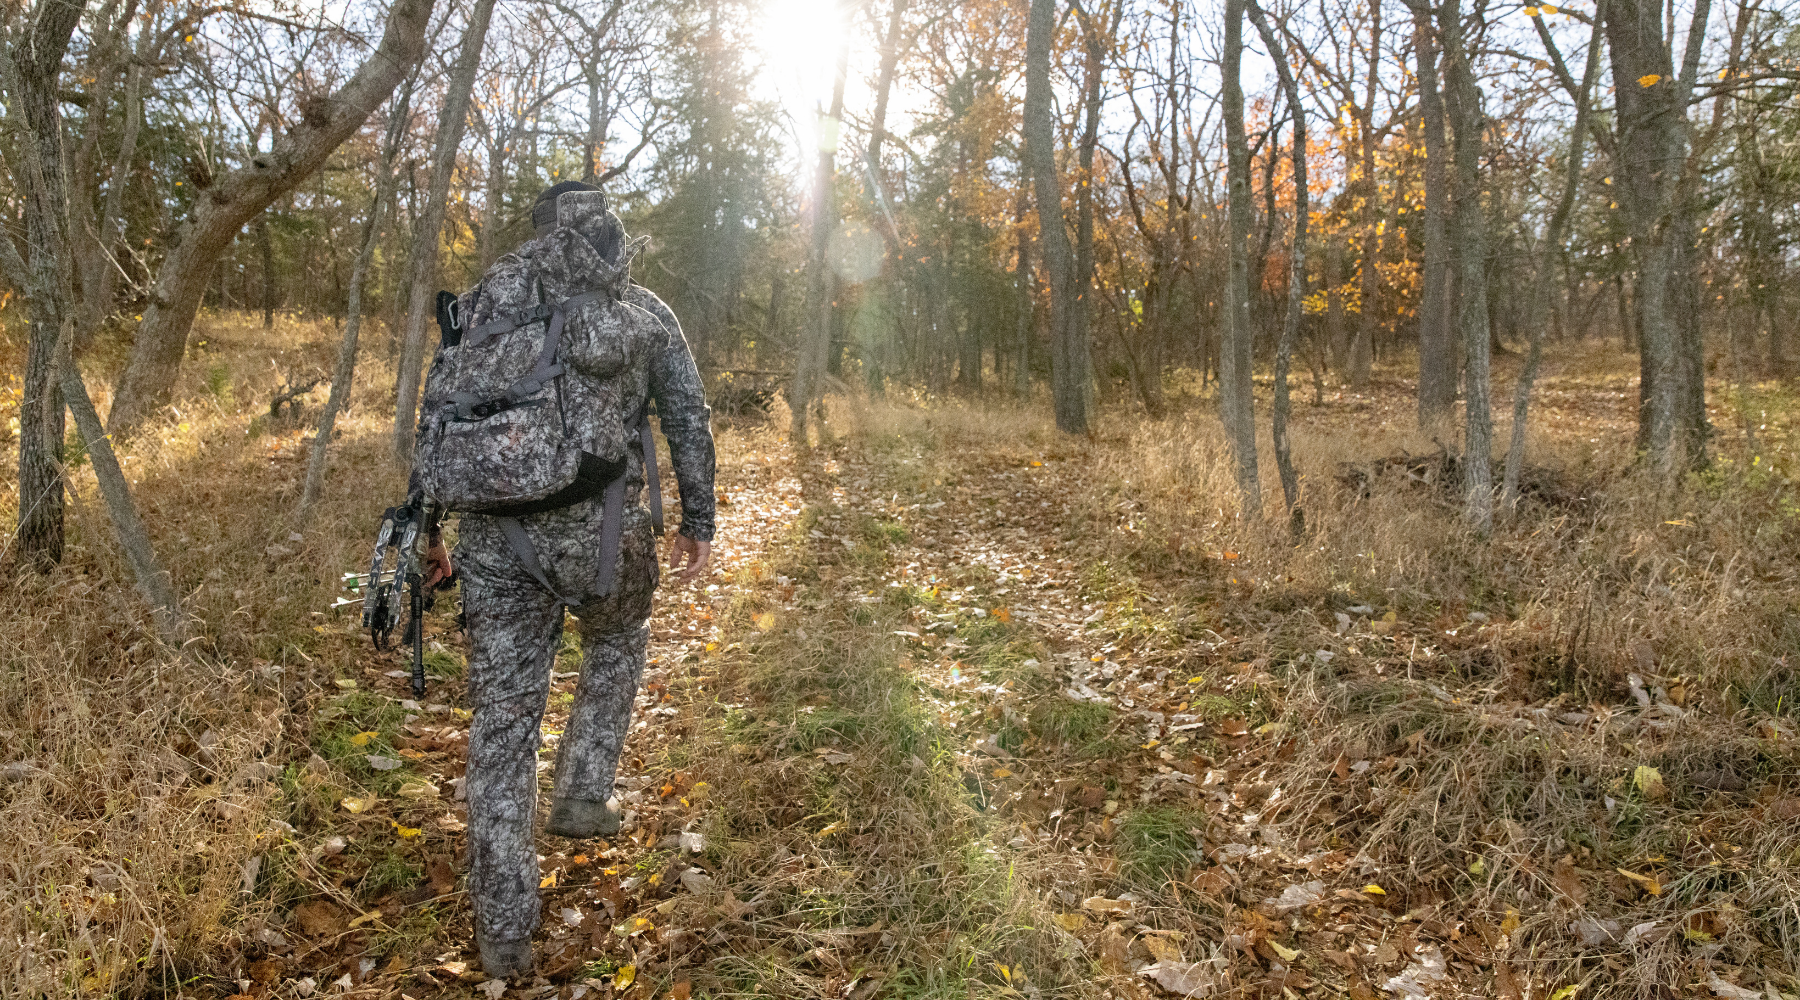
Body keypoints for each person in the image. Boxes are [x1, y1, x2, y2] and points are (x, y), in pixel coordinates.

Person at [410, 180, 716, 977]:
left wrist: (429, 531)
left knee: (503, 724)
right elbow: (687, 416)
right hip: (600, 535)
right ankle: (583, 789)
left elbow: (439, 417)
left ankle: (504, 933)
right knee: (620, 632)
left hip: (492, 539)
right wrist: (698, 519)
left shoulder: (486, 303)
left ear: (537, 230)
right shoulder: (642, 310)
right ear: (606, 229)